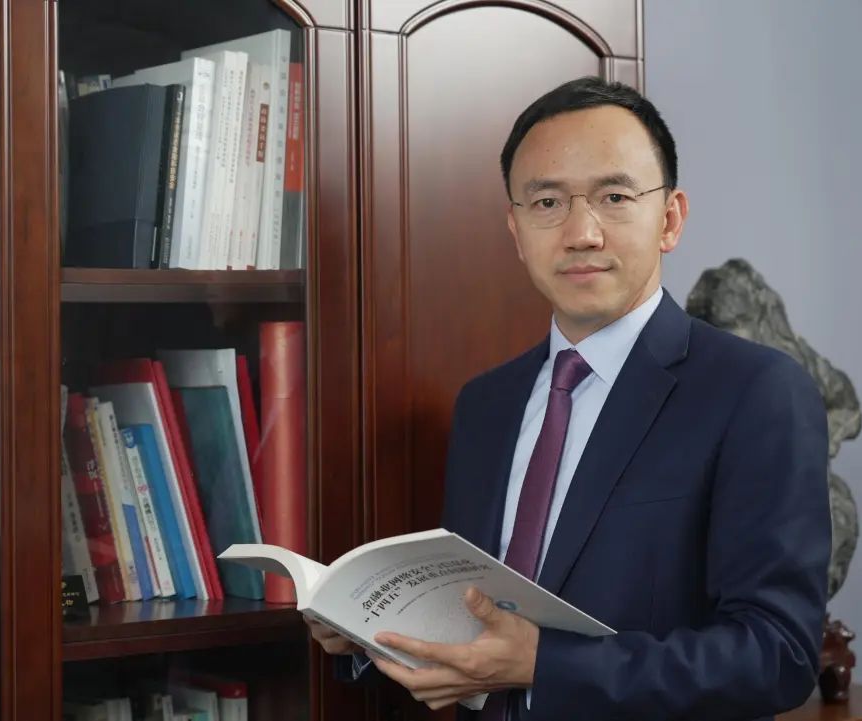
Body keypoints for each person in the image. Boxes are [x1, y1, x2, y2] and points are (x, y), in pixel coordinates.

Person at [307, 76, 831, 721]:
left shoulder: (755, 392)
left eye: (615, 197)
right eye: (547, 202)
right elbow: (474, 618)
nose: (581, 233)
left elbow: (777, 655)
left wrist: (543, 665)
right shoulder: (486, 405)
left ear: (670, 220)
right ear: (516, 229)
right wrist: (367, 632)